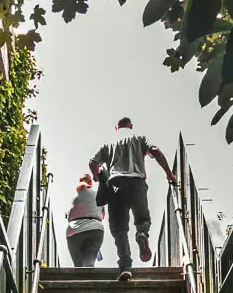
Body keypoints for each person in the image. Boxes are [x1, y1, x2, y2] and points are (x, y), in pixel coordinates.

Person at [89, 117, 176, 281]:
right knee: (142, 218)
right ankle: (142, 233)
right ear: (131, 126)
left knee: (119, 228)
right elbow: (155, 150)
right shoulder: (140, 137)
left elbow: (93, 163)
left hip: (116, 185)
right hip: (137, 183)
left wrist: (97, 176)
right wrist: (169, 173)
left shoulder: (108, 142)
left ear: (117, 128)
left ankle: (125, 267)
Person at [65, 174, 105, 267]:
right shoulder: (99, 195)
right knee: (89, 263)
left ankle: (79, 278)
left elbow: (68, 216)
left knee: (78, 264)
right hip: (95, 229)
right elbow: (102, 215)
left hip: (74, 231)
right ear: (90, 182)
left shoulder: (74, 198)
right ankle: (90, 277)